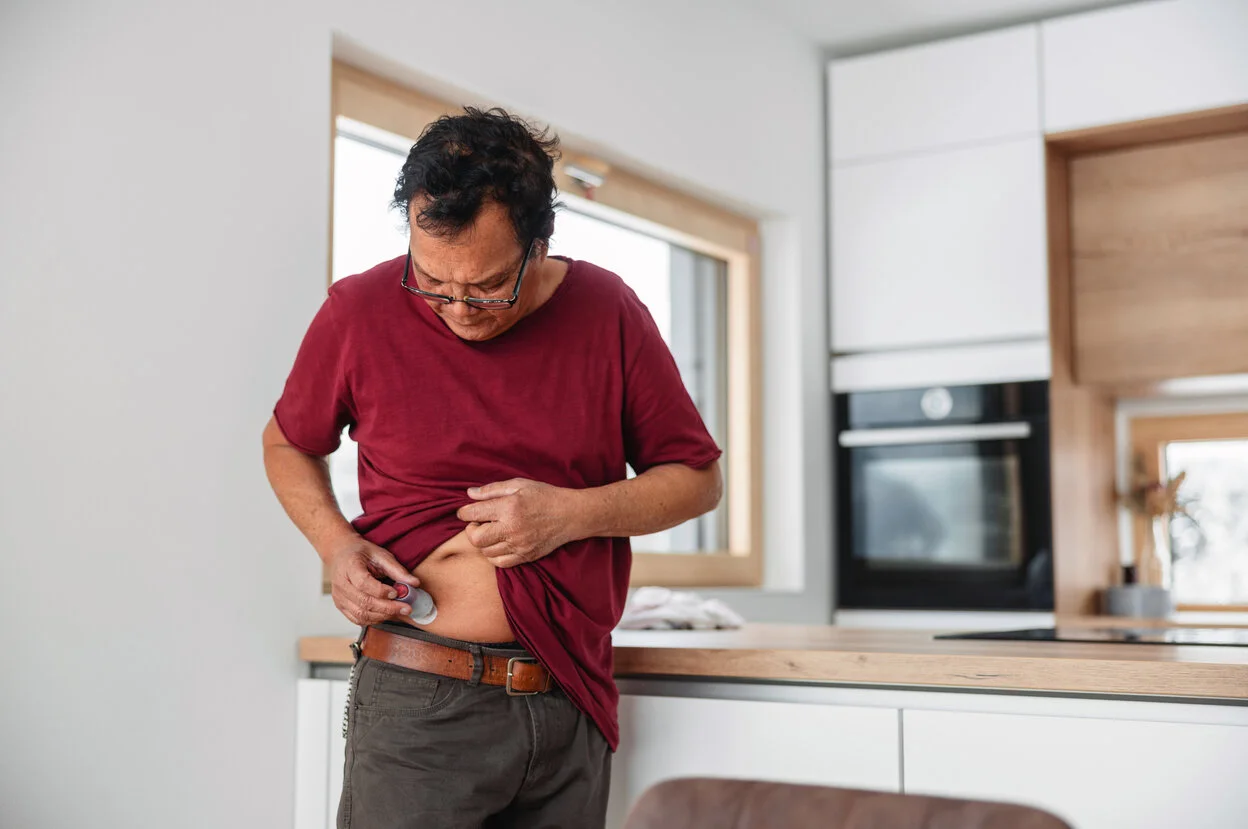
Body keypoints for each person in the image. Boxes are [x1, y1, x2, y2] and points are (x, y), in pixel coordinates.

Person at [262, 107, 723, 829]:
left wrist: (571, 514)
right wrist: (337, 545)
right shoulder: (359, 310)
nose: (457, 308)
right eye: (433, 281)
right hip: (422, 705)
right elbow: (288, 442)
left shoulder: (608, 311)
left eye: (485, 286)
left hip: (569, 696)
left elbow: (697, 477)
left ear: (539, 243)